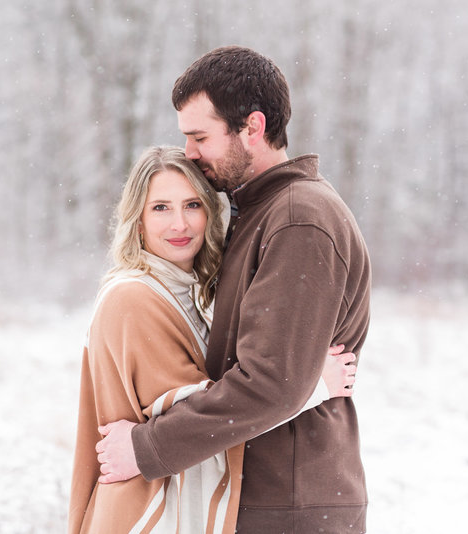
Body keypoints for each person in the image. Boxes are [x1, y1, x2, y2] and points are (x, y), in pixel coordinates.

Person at [95, 47, 372, 533]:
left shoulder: (296, 219)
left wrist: (146, 448)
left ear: (253, 127)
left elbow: (271, 384)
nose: (190, 152)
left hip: (288, 506)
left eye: (200, 137)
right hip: (268, 498)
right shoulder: (260, 213)